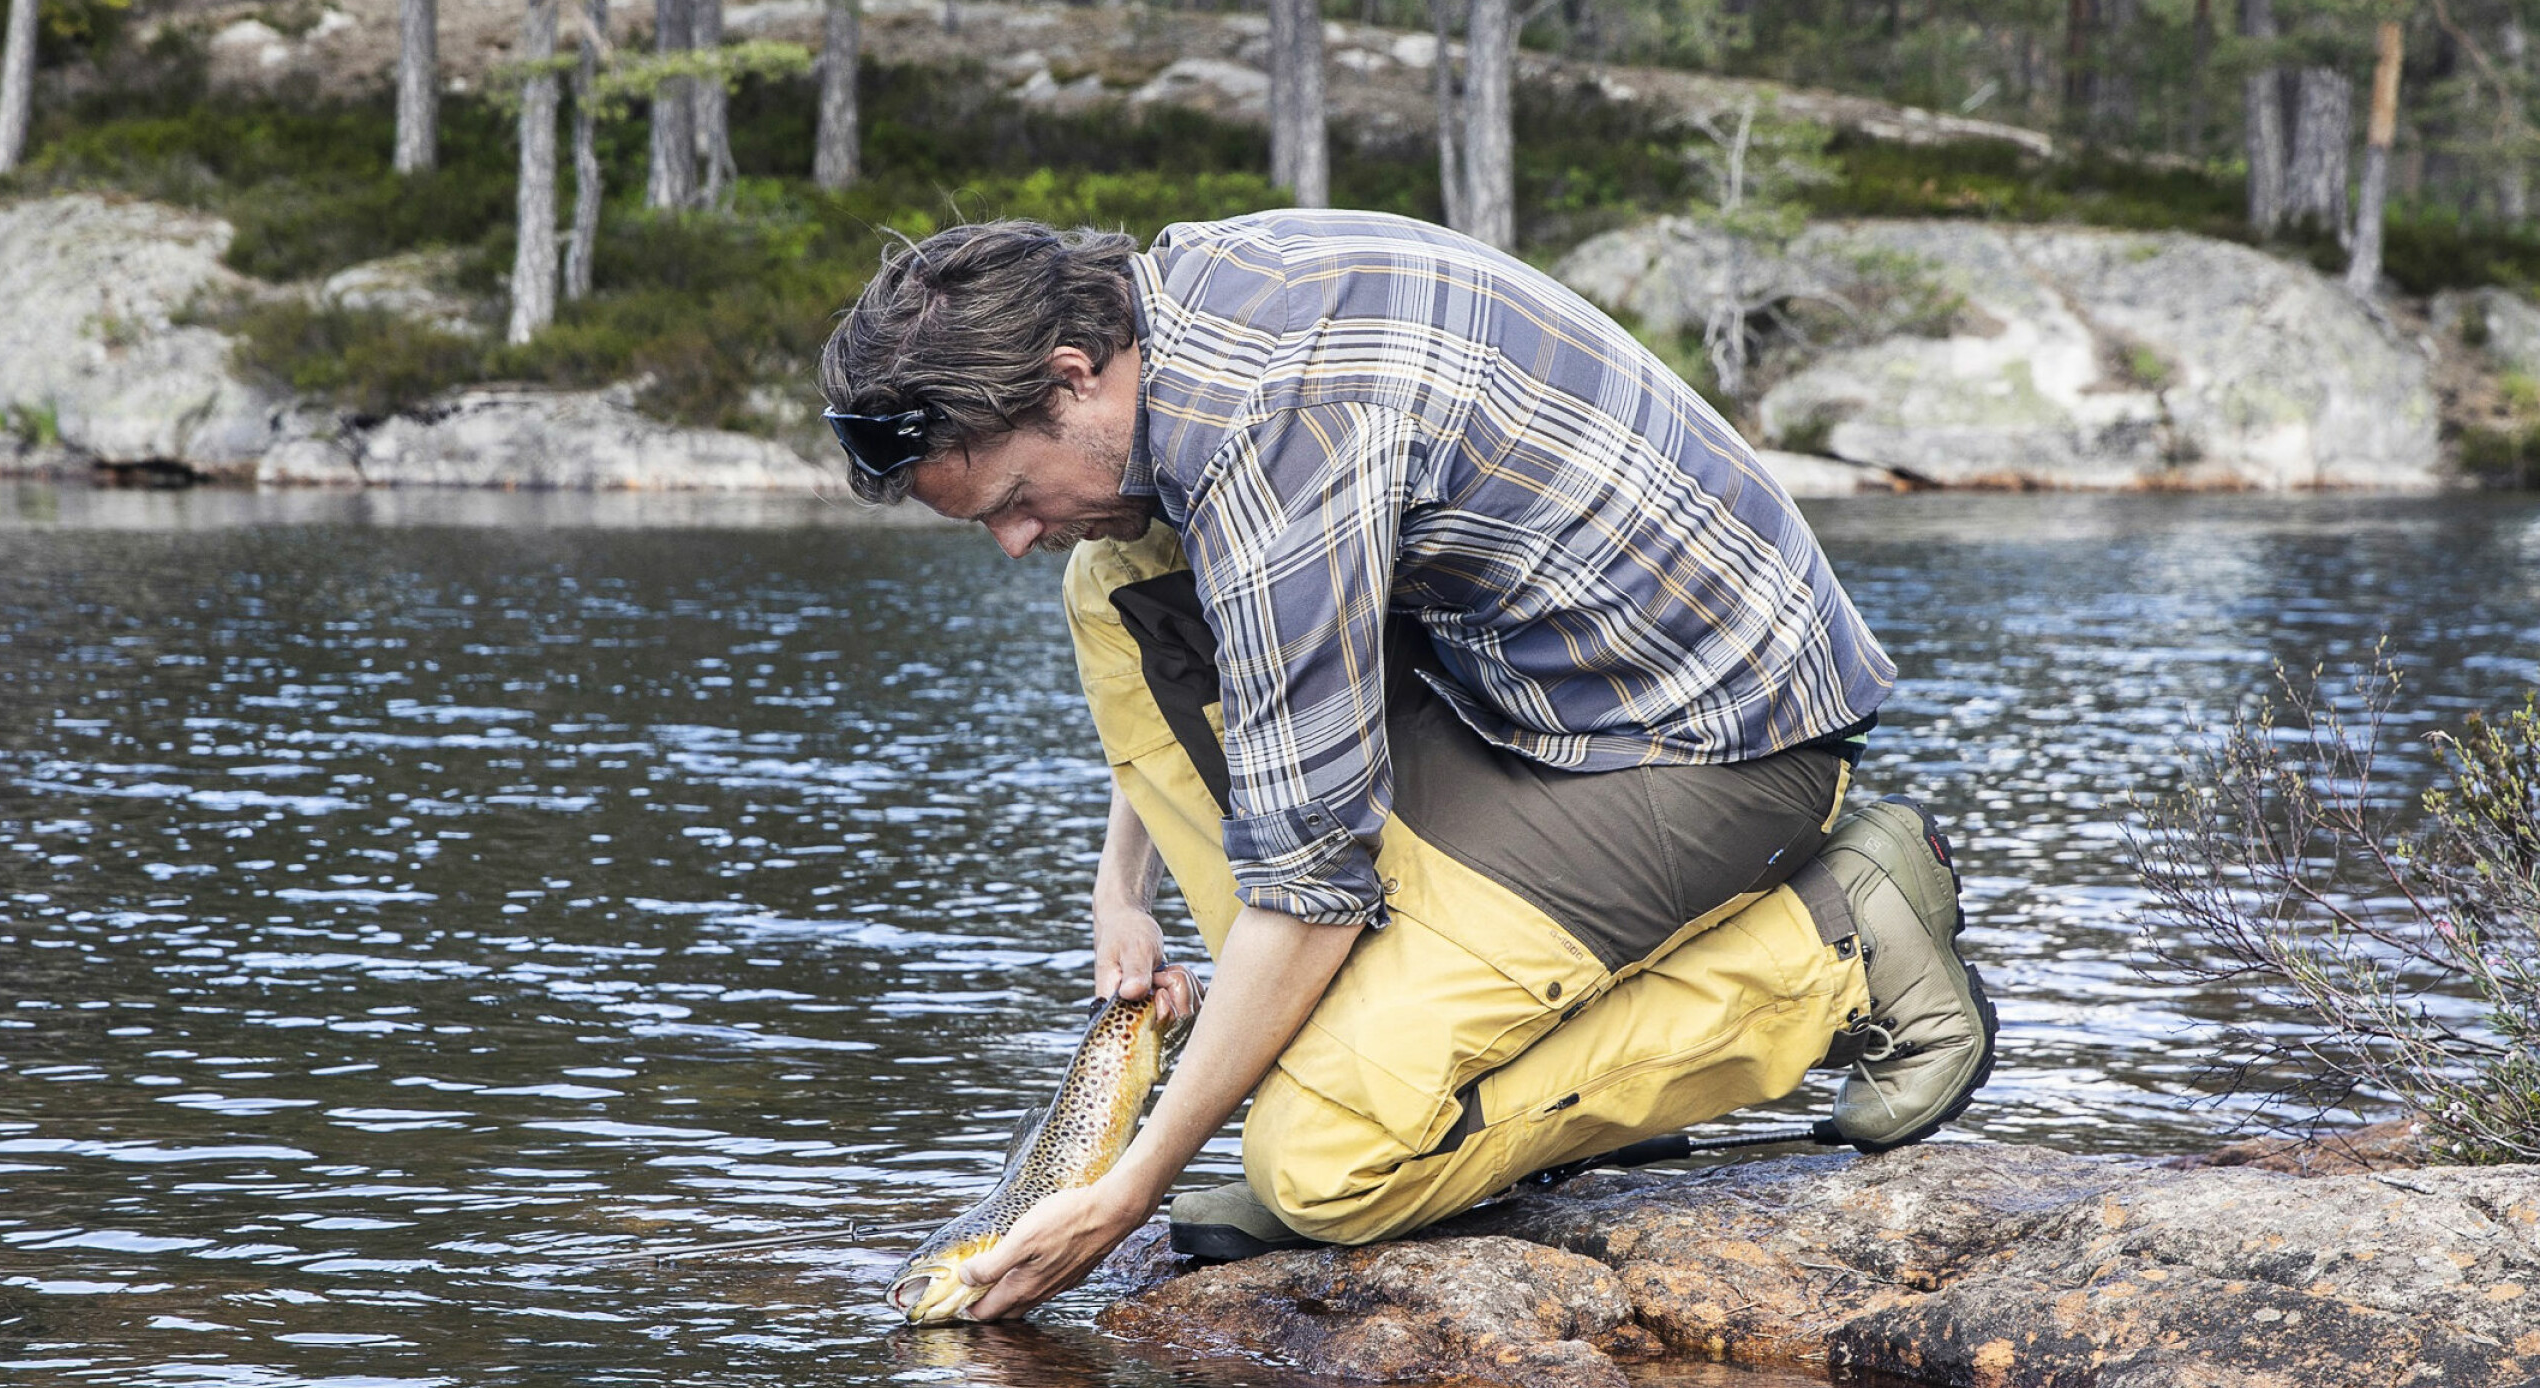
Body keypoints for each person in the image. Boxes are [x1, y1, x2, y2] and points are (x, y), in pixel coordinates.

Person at [817, 210, 1996, 1321]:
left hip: (1712, 746)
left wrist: (1123, 1194)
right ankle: (1392, 1048)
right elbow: (1240, 695)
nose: (1014, 538)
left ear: (1073, 373)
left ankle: (1845, 940)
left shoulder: (1279, 443)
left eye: (1014, 497)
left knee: (1328, 1166)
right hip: (1530, 699)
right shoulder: (1180, 306)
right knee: (1118, 582)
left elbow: (1314, 874)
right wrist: (1116, 893)